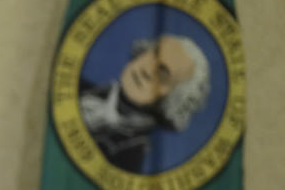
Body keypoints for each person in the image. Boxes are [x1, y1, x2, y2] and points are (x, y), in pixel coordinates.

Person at [79, 34, 210, 173]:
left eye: (163, 73)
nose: (147, 70)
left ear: (174, 98)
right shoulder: (75, 87)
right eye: (154, 54)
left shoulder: (127, 160)